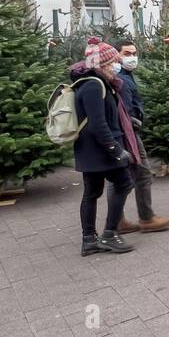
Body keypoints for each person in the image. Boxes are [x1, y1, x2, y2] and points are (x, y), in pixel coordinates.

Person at [70, 38, 136, 255]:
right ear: (100, 64)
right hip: (101, 149)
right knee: (124, 183)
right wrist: (116, 150)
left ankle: (89, 240)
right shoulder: (92, 85)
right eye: (111, 64)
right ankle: (109, 234)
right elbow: (98, 124)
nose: (115, 67)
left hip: (92, 149)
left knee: (92, 192)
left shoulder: (95, 82)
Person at [114, 40, 169, 234]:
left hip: (127, 131)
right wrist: (132, 122)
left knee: (122, 176)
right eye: (127, 53)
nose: (132, 57)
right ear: (117, 55)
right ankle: (146, 218)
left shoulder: (126, 75)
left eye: (134, 53)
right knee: (141, 173)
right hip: (127, 133)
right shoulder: (119, 78)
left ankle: (119, 220)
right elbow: (121, 108)